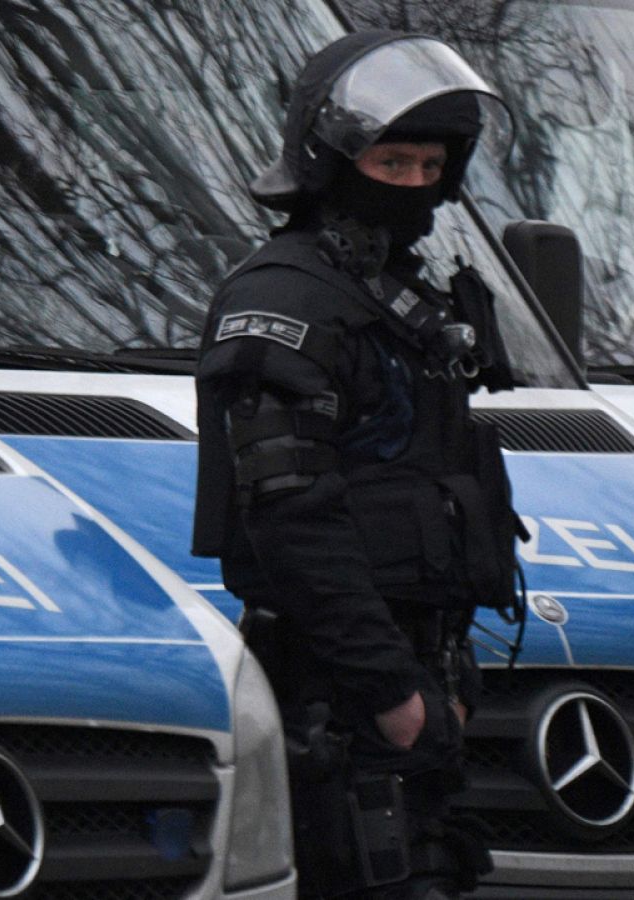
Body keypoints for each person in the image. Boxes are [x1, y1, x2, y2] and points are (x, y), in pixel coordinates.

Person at [190, 30, 523, 900]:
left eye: (428, 165)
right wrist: (388, 690)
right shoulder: (283, 301)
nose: (414, 184)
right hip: (336, 688)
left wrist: (436, 684)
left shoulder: (403, 299)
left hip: (418, 672)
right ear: (334, 160)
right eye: (392, 161)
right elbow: (293, 518)